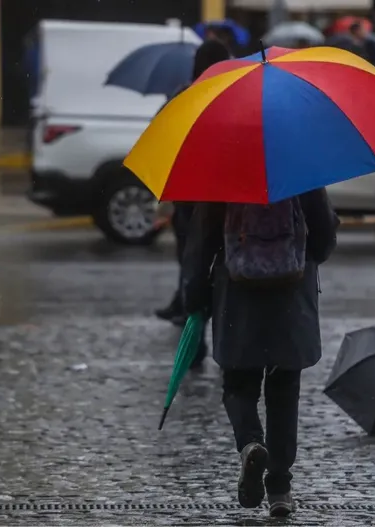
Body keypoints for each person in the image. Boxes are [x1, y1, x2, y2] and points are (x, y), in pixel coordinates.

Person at [181, 189, 339, 516]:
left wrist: (194, 296)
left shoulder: (223, 176)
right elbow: (324, 237)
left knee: (238, 385)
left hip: (238, 295)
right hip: (292, 294)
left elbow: (201, 241)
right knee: (284, 390)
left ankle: (251, 443)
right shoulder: (300, 171)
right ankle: (280, 487)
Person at [155, 40, 231, 336]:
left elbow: (163, 136)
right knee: (222, 262)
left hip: (190, 193)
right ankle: (204, 314)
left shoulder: (185, 96)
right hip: (223, 194)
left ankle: (192, 320)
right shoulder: (233, 94)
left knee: (192, 260)